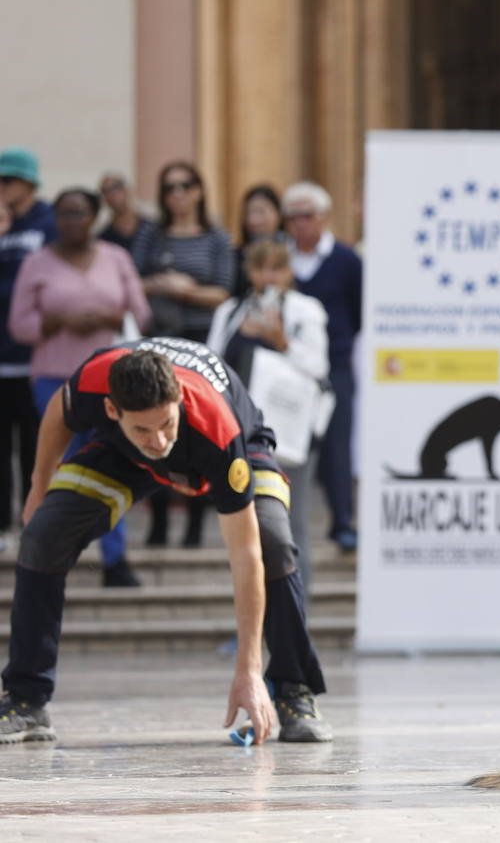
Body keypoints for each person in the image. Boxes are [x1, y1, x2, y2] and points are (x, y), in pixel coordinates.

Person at [0, 339, 332, 743]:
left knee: (272, 543)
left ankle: (294, 689)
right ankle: (26, 699)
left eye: (166, 424)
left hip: (229, 446)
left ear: (178, 399)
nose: (158, 440)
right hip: (122, 454)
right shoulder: (93, 381)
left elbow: (245, 557)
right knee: (41, 536)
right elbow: (59, 410)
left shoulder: (217, 429)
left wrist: (247, 671)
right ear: (111, 408)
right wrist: (38, 485)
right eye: (144, 427)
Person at [7, 187, 151, 586]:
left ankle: (114, 557)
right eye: (65, 213)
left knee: (114, 461)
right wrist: (57, 323)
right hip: (55, 378)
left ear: (94, 216)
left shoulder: (115, 258)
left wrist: (106, 315)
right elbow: (19, 325)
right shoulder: (37, 262)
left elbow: (141, 311)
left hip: (112, 380)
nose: (72, 221)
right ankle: (51, 555)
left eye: (80, 213)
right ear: (55, 218)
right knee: (61, 464)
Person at [209, 238, 329, 591]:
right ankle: (251, 627)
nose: (268, 276)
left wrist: (281, 341)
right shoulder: (230, 312)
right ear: (248, 272)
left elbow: (318, 367)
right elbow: (212, 367)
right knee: (245, 530)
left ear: (289, 272)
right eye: (260, 268)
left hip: (289, 436)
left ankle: (296, 622)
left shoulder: (306, 310)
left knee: (290, 528)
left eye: (276, 268)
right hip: (240, 435)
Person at [132, 160, 235, 548]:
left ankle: (194, 524)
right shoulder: (151, 236)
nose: (178, 193)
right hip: (158, 341)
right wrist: (160, 284)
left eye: (186, 185)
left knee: (197, 433)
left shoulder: (216, 238)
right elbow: (132, 282)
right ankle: (158, 523)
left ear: (199, 190)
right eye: (170, 186)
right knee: (153, 426)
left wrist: (183, 290)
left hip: (202, 345)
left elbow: (224, 291)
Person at [284, 181, 362, 552]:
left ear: (324, 217)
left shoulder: (346, 261)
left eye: (307, 215)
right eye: (293, 216)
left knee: (337, 444)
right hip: (286, 368)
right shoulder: (280, 260)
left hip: (334, 365)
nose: (300, 223)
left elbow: (358, 310)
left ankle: (342, 520)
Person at [0, 148, 55, 541]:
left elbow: (43, 286)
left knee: (38, 450)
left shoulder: (48, 223)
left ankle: (37, 525)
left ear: (28, 183)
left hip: (37, 360)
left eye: (7, 181)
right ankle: (2, 526)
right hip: (1, 359)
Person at [233, 184, 286, 296]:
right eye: (249, 213)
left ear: (278, 213)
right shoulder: (236, 256)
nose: (254, 220)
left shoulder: (292, 249)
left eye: (261, 212)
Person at [97, 172, 156, 256]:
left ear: (128, 189)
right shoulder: (103, 238)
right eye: (105, 191)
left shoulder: (152, 227)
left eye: (116, 187)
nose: (111, 194)